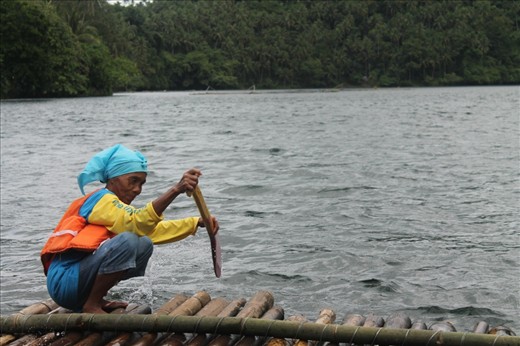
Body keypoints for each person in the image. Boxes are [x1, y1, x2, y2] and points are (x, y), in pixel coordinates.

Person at [40, 144, 219, 314]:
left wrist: (195, 222)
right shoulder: (101, 200)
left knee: (144, 243)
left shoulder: (115, 208)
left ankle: (96, 298)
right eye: (132, 181)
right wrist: (175, 190)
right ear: (113, 178)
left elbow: (150, 230)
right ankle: (91, 304)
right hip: (65, 283)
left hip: (77, 283)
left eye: (141, 183)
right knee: (129, 240)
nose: (137, 189)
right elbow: (137, 223)